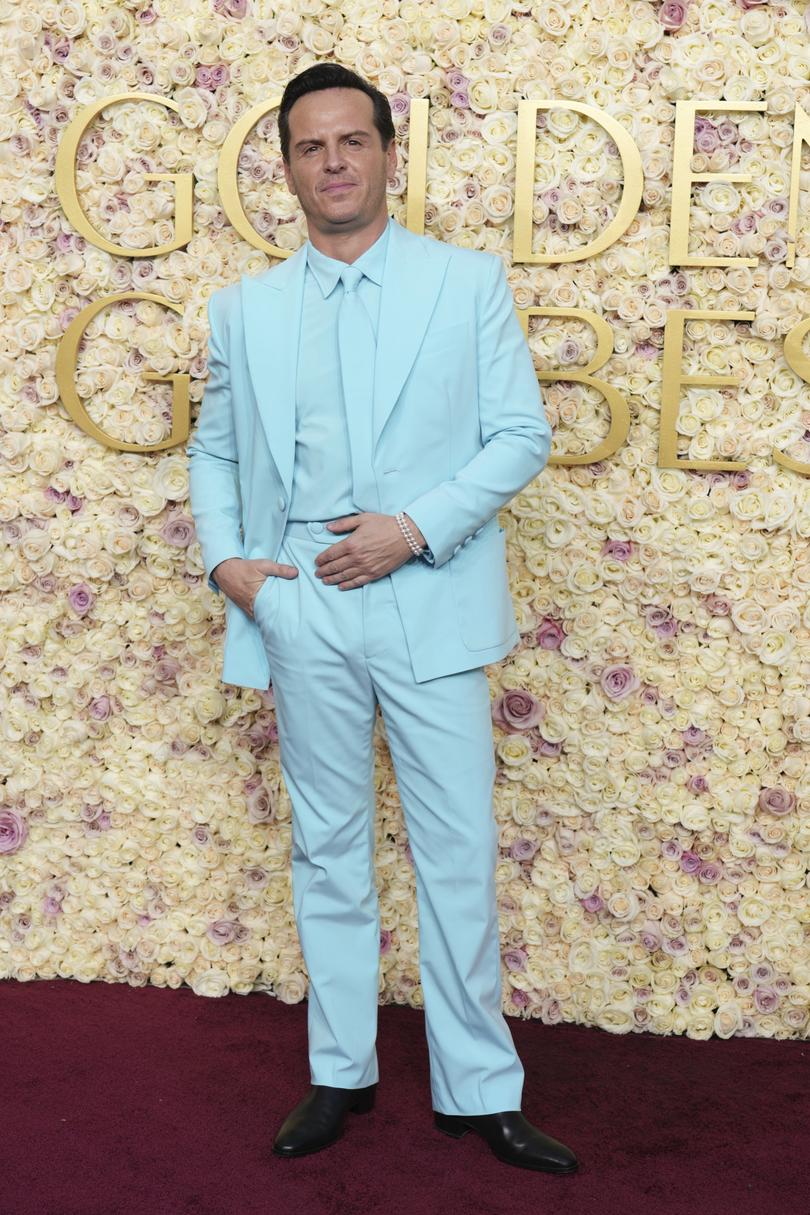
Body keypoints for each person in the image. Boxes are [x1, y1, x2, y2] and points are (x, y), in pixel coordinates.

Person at [187, 61, 578, 1175]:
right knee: (328, 848)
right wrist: (234, 569)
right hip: (302, 609)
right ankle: (339, 1076)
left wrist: (412, 529)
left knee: (456, 849)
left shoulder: (466, 283)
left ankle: (481, 1092)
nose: (335, 163)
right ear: (288, 169)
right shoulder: (245, 308)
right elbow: (214, 449)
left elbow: (520, 435)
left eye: (352, 141)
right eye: (310, 148)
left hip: (431, 597)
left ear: (389, 153)